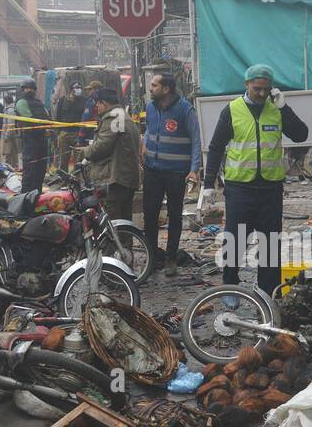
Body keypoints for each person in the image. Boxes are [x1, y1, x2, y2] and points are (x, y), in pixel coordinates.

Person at [201, 64, 309, 298]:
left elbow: (301, 134)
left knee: (270, 243)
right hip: (240, 188)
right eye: (256, 88)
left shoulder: (276, 109)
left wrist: (285, 108)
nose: (261, 94)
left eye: (265, 89)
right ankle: (230, 286)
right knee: (235, 240)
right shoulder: (231, 110)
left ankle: (267, 291)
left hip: (270, 189)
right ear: (246, 85)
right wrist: (208, 183)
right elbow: (216, 147)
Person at [141, 73, 201, 276]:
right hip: (152, 170)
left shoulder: (185, 110)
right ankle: (152, 258)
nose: (151, 88)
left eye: (154, 85)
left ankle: (171, 258)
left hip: (176, 172)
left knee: (175, 215)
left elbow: (196, 140)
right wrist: (144, 145)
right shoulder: (150, 107)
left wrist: (194, 169)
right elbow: (149, 129)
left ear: (166, 89)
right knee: (150, 215)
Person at [82, 88, 141, 221]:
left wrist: (84, 151)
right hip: (126, 177)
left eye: (97, 103)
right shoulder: (122, 115)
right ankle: (125, 242)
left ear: (104, 103)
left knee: (112, 222)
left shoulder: (114, 117)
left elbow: (102, 147)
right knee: (124, 220)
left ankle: (117, 243)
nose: (96, 107)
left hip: (115, 178)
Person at [13, 79, 53, 194]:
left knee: (40, 171)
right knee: (30, 171)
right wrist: (44, 127)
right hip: (30, 140)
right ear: (23, 89)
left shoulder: (39, 103)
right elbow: (30, 119)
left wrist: (49, 127)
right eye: (27, 88)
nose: (29, 90)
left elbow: (47, 116)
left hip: (42, 140)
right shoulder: (21, 102)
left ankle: (37, 195)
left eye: (31, 88)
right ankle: (25, 197)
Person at [53, 81, 88, 172]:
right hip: (65, 133)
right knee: (63, 159)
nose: (78, 90)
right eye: (76, 88)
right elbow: (58, 116)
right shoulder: (63, 100)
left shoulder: (84, 100)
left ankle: (76, 181)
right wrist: (58, 133)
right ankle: (63, 181)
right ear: (71, 90)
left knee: (78, 160)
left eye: (80, 87)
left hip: (78, 133)